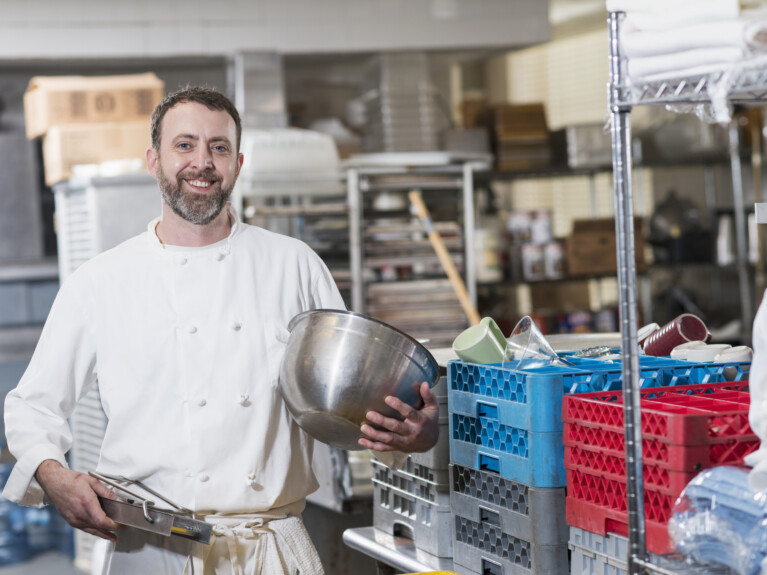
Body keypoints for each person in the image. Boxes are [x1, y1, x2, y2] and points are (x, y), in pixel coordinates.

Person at [3, 86, 440, 574]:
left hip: (271, 549)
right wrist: (53, 474)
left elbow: (354, 404)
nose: (202, 162)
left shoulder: (293, 265)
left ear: (238, 162)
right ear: (154, 160)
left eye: (219, 147)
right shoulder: (101, 281)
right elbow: (32, 405)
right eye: (184, 145)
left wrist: (410, 434)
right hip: (152, 550)